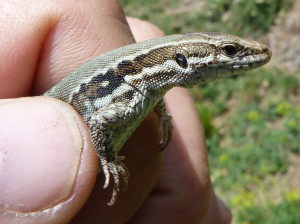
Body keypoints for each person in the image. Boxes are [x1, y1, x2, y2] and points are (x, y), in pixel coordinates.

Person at [0, 0, 232, 223]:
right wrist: (109, 159)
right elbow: (100, 121)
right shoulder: (132, 89)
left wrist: (161, 111)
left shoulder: (147, 85)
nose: (242, 57)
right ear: (183, 59)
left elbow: (153, 91)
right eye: (229, 52)